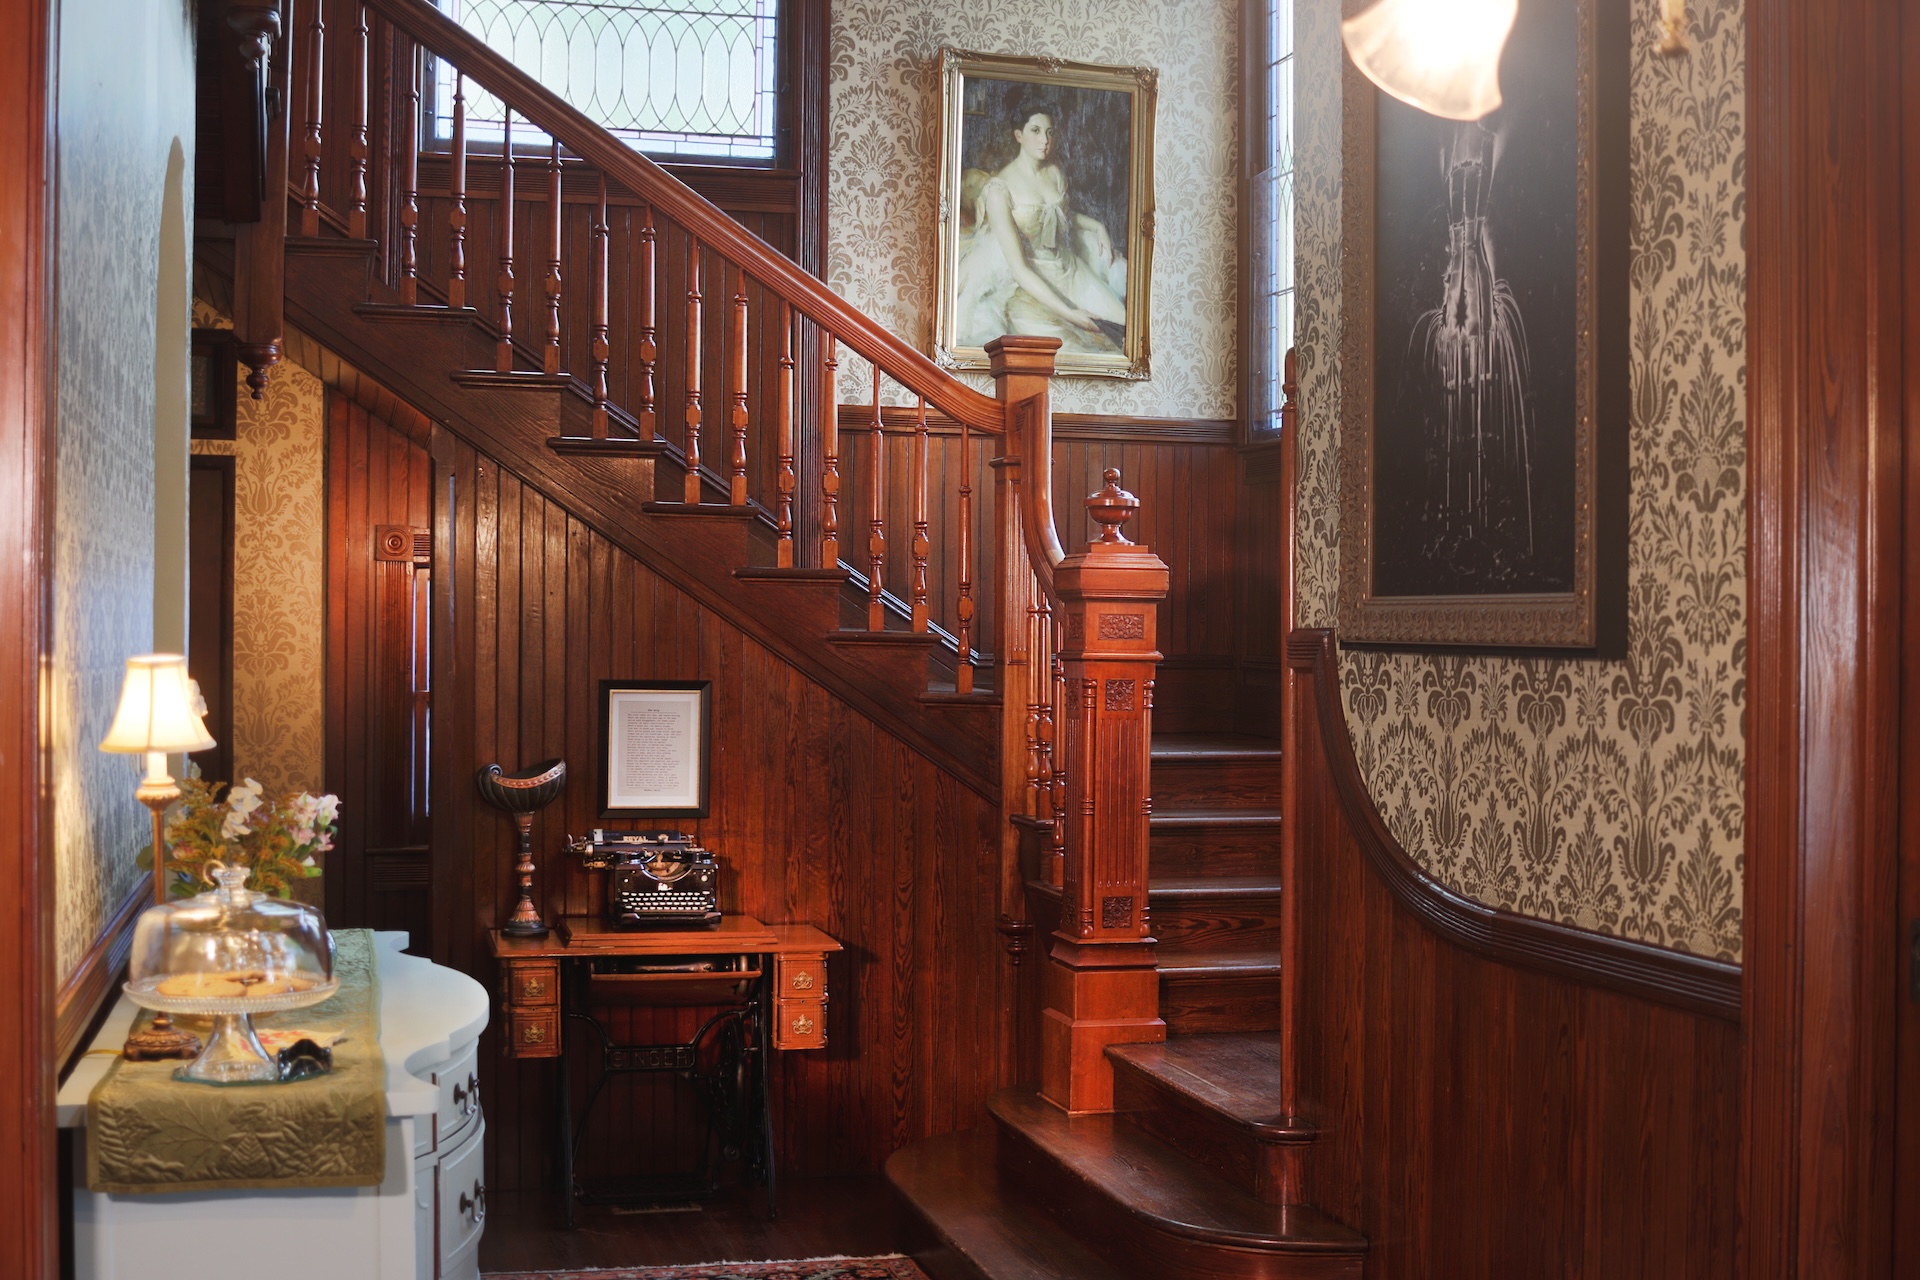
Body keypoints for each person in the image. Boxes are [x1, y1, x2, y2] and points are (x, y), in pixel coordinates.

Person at [952, 99, 1128, 354]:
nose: (1044, 140)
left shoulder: (1054, 173)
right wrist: (1069, 313)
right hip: (1029, 286)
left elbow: (1062, 218)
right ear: (1018, 135)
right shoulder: (999, 190)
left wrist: (1098, 226)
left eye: (1049, 132)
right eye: (1035, 131)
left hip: (1070, 270)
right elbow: (1020, 269)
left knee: (1125, 329)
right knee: (1076, 350)